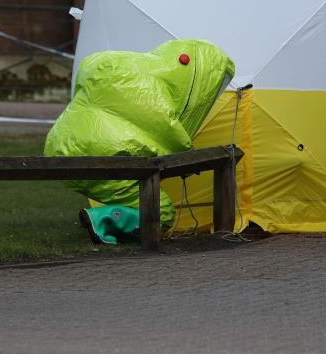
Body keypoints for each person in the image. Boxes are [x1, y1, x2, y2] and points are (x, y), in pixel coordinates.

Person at [44, 39, 235, 244]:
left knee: (135, 193)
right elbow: (164, 128)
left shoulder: (129, 68)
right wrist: (186, 151)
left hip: (59, 147)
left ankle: (112, 219)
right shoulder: (155, 90)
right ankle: (102, 220)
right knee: (161, 211)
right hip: (106, 153)